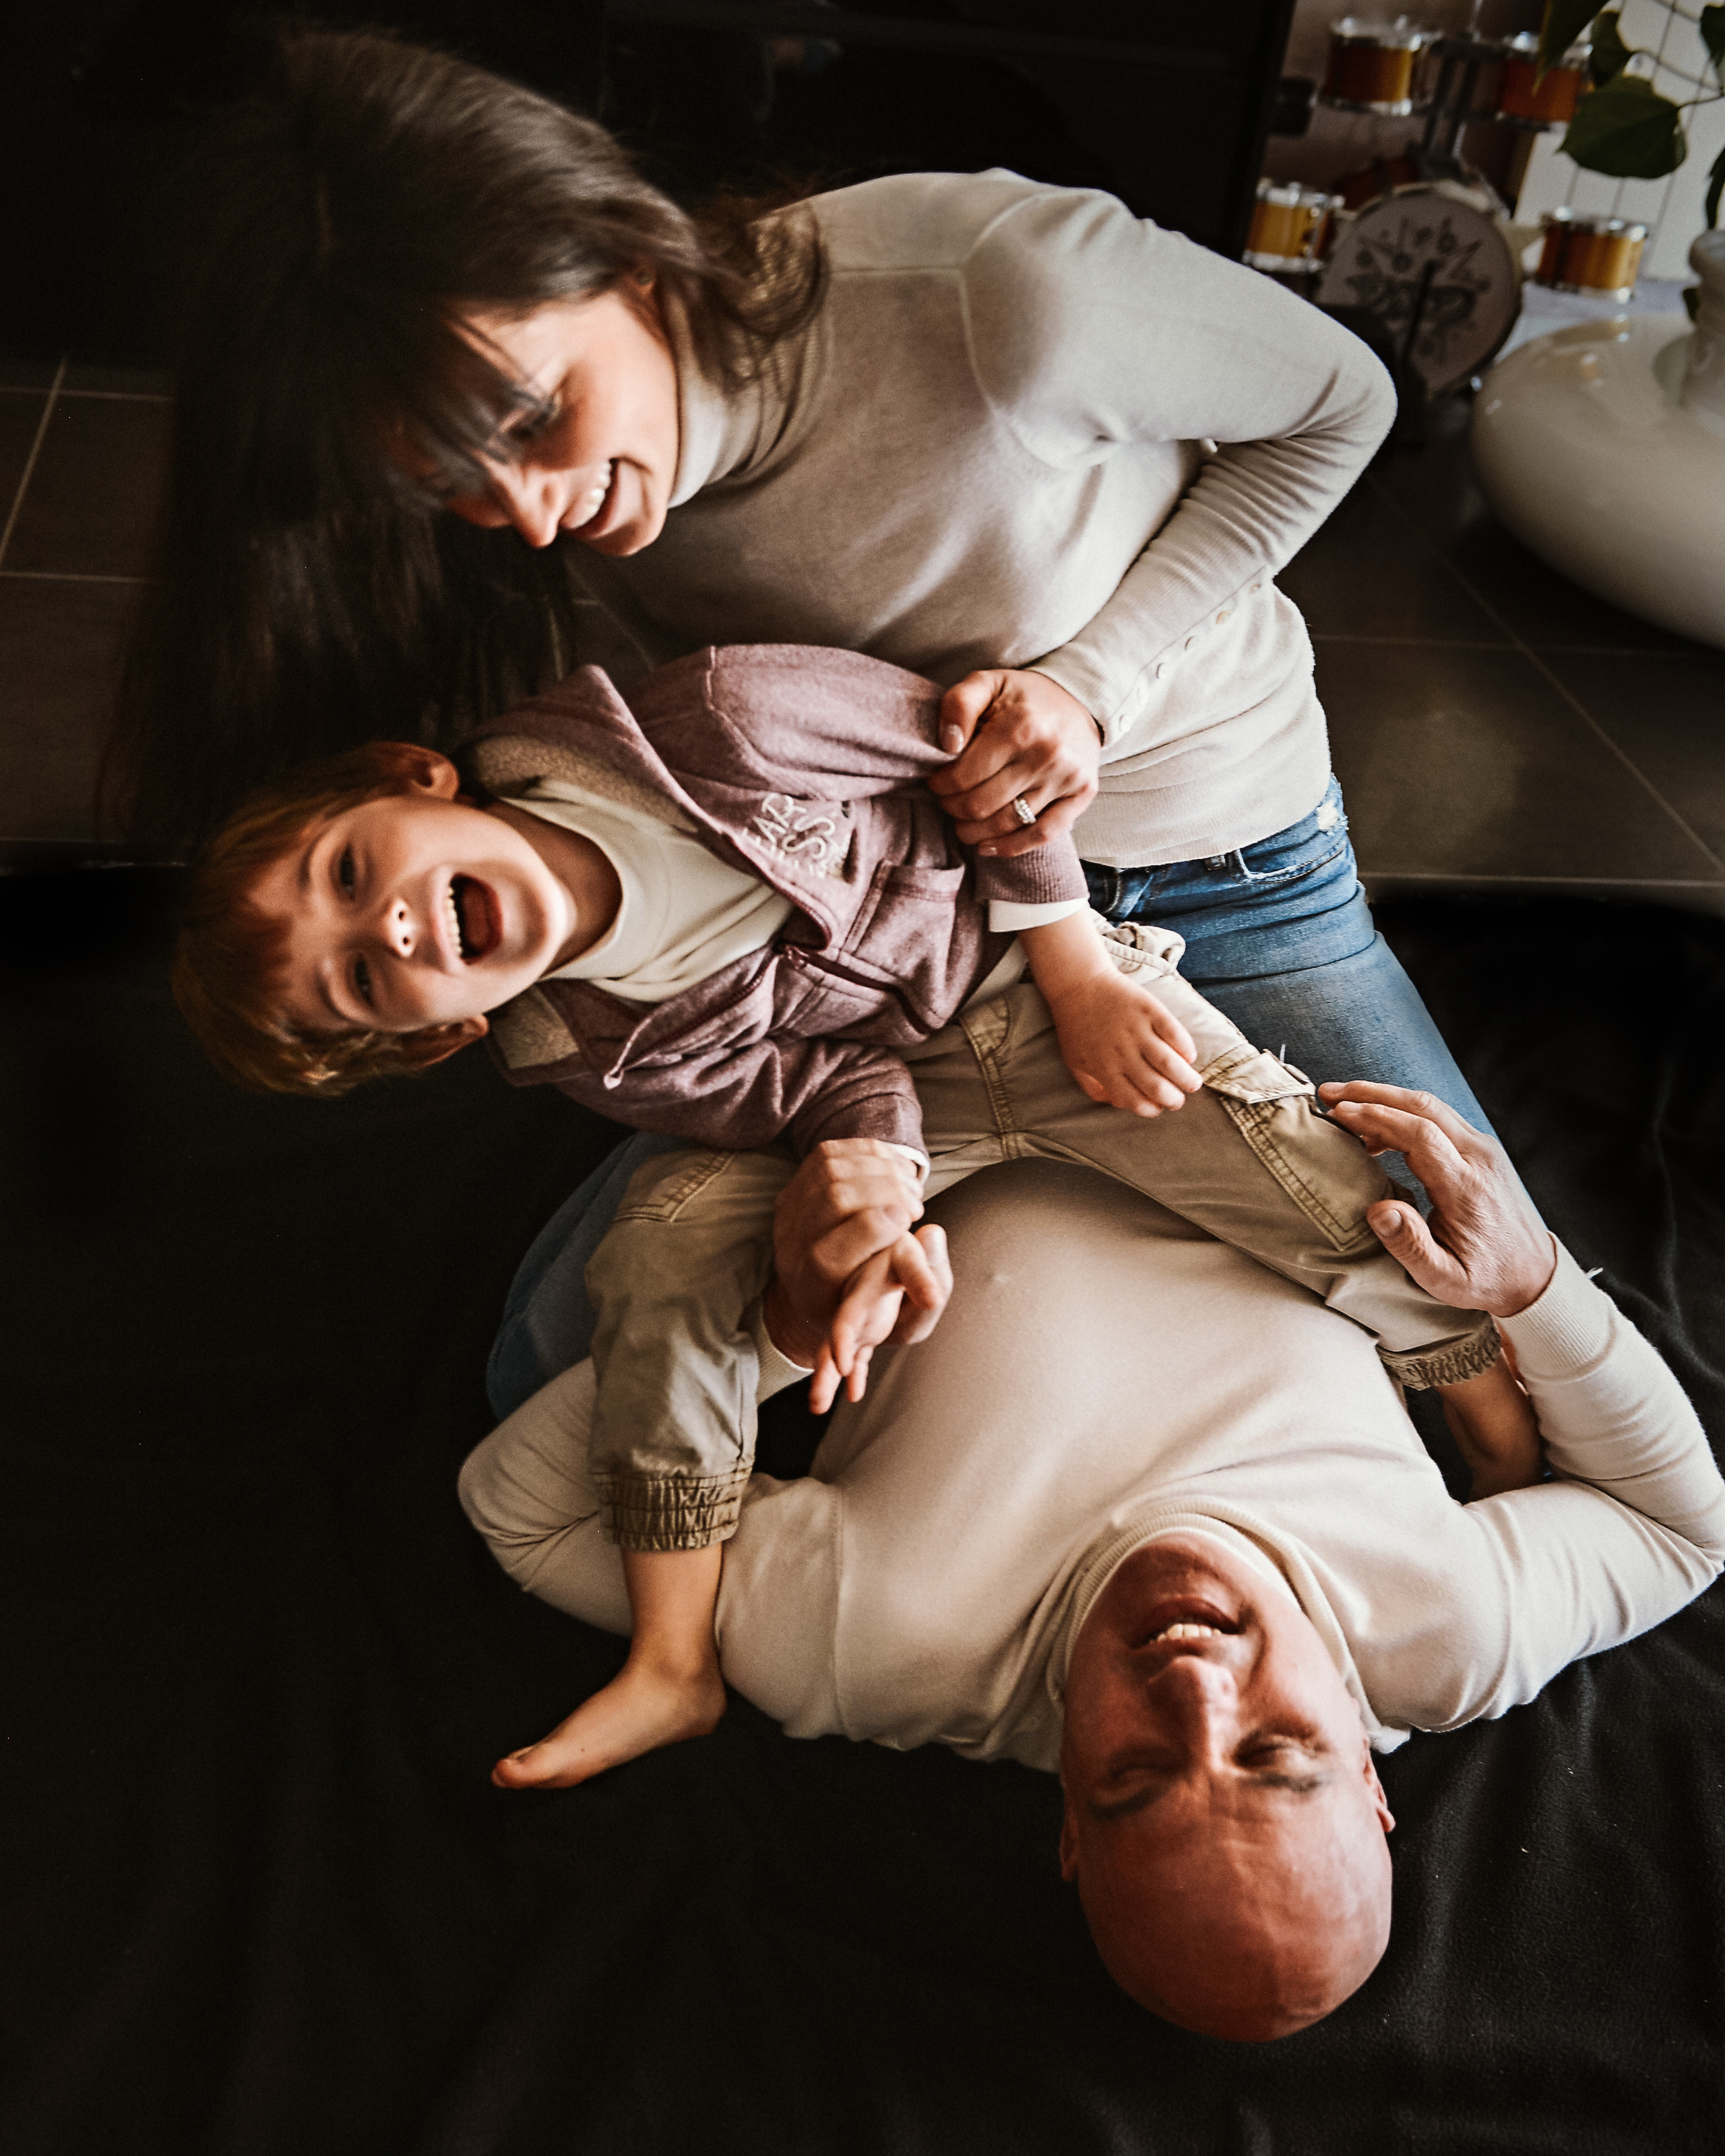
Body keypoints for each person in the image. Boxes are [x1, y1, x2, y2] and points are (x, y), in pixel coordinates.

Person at [111, 28, 1491, 1362]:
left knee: (1458, 1262)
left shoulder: (998, 296)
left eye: (531, 418)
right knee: (570, 1350)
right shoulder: (594, 527)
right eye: (455, 484)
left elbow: (1343, 401)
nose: (527, 517)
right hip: (926, 972)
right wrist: (847, 1182)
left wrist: (1088, 685)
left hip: (1213, 855)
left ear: (615, 251)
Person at [172, 641, 1536, 1779]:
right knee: (652, 1265)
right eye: (363, 979)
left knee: (1270, 1143)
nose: (395, 932)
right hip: (890, 1095)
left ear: (415, 781)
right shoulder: (577, 1044)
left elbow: (980, 767)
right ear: (438, 1040)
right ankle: (671, 1658)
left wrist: (1069, 967)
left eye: (353, 878)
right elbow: (810, 1078)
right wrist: (870, 1185)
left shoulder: (718, 724)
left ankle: (1472, 1390)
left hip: (1027, 984)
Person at [458, 1087, 1725, 2042]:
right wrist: (1544, 1289)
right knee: (1460, 1202)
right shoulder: (1448, 1629)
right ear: (1371, 1775)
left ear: (1066, 1819)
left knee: (539, 1365)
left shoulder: (871, 1646)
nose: (1196, 1690)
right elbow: (1684, 1530)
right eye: (1277, 1753)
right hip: (1235, 1079)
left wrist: (782, 1330)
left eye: (1136, 1773)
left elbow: (525, 1512)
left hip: (898, 1093)